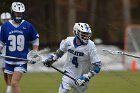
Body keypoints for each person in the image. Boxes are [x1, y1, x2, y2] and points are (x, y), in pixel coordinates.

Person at [43, 22, 102, 93]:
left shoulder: (91, 46)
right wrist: (52, 59)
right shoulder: (68, 41)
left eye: (87, 34)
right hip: (69, 73)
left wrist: (86, 76)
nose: (86, 37)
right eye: (83, 34)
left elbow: (97, 65)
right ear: (76, 32)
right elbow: (59, 53)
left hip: (82, 78)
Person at [0, 2, 40, 93]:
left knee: (14, 83)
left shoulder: (28, 25)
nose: (19, 15)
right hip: (8, 59)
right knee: (10, 84)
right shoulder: (5, 26)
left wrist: (34, 51)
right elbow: (1, 42)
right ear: (12, 12)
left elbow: (35, 39)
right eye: (17, 13)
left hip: (21, 59)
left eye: (21, 13)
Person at [0, 12, 12, 93]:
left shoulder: (13, 28)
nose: (5, 21)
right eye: (4, 20)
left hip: (11, 52)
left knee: (10, 70)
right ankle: (8, 86)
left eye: (7, 19)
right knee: (4, 70)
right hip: (2, 53)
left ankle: (11, 86)